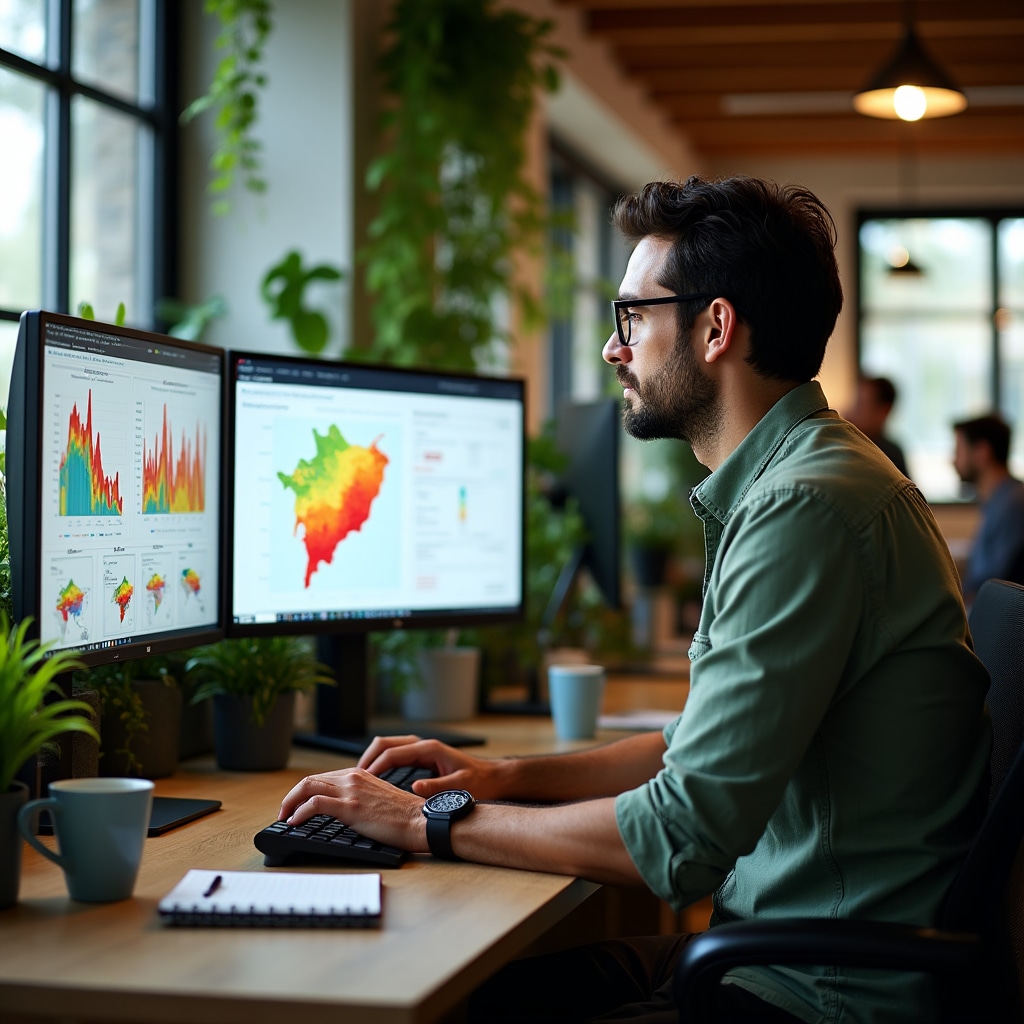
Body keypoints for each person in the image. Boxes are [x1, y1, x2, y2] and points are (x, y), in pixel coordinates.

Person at [277, 176, 991, 1024]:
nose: (615, 350)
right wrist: (496, 778)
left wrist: (433, 820)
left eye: (632, 318)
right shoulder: (801, 478)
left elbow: (682, 838)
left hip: (816, 992)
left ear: (715, 327)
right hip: (785, 951)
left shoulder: (805, 507)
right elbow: (692, 749)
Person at [952, 413, 1024, 602]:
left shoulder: (1012, 504)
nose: (952, 460)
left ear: (981, 452)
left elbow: (999, 583)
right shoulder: (998, 500)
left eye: (958, 450)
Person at [844, 374, 909, 476]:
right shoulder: (844, 443)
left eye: (861, 404)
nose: (852, 410)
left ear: (884, 410)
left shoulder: (890, 455)